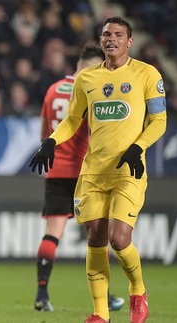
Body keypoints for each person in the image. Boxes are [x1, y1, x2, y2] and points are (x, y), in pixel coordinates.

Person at [29, 16, 167, 323]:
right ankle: (100, 314)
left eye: (118, 34)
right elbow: (73, 120)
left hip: (127, 170)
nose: (111, 39)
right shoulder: (86, 78)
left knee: (119, 239)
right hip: (92, 172)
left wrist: (137, 147)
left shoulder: (147, 73)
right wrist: (51, 141)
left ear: (129, 41)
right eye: (106, 34)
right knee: (95, 239)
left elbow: (159, 120)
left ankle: (138, 291)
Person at [33, 44, 125, 313]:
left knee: (52, 234)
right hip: (86, 171)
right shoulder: (91, 88)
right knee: (96, 236)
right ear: (90, 65)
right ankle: (105, 299)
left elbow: (43, 132)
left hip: (55, 170)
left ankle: (41, 294)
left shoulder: (52, 90)